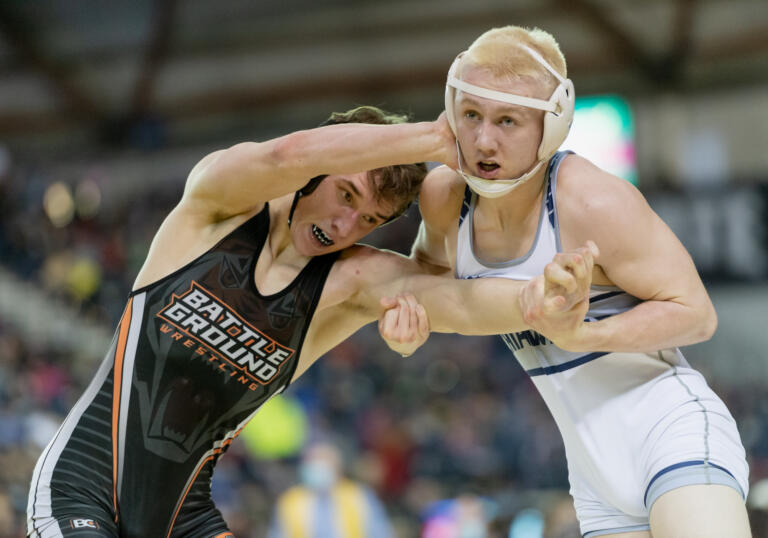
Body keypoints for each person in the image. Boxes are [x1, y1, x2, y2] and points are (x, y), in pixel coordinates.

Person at [26, 105, 596, 537]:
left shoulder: (345, 286)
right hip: (82, 486)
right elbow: (286, 153)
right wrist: (437, 138)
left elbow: (460, 302)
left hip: (184, 519)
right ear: (316, 173)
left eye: (368, 218)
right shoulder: (217, 208)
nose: (345, 224)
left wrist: (541, 299)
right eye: (343, 194)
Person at [379, 26, 751, 538]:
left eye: (507, 120)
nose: (484, 139)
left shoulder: (592, 202)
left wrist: (585, 334)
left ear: (550, 127)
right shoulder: (443, 196)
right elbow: (430, 284)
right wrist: (411, 330)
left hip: (671, 432)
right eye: (471, 115)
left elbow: (696, 314)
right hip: (593, 472)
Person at [267, 441, 392, 538]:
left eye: (322, 462)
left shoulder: (360, 496)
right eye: (312, 462)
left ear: (337, 468)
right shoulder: (290, 501)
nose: (316, 468)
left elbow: (381, 533)